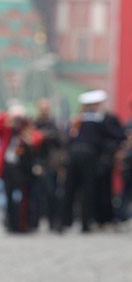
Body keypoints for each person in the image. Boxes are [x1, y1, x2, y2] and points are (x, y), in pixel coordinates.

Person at [61, 89, 125, 233]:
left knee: (69, 189)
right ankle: (85, 224)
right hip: (89, 156)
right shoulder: (100, 118)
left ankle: (64, 222)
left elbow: (68, 137)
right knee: (87, 190)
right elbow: (117, 135)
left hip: (73, 155)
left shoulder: (77, 119)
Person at [0, 104, 43, 232]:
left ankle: (23, 224)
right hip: (8, 168)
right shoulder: (7, 130)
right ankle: (10, 223)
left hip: (22, 169)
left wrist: (24, 127)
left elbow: (36, 138)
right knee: (8, 196)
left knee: (23, 198)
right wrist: (7, 118)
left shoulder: (26, 129)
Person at [34, 98, 63, 230]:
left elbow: (60, 142)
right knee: (39, 193)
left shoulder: (53, 124)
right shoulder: (35, 124)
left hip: (51, 163)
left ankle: (53, 221)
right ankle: (36, 220)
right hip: (39, 162)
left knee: (52, 192)